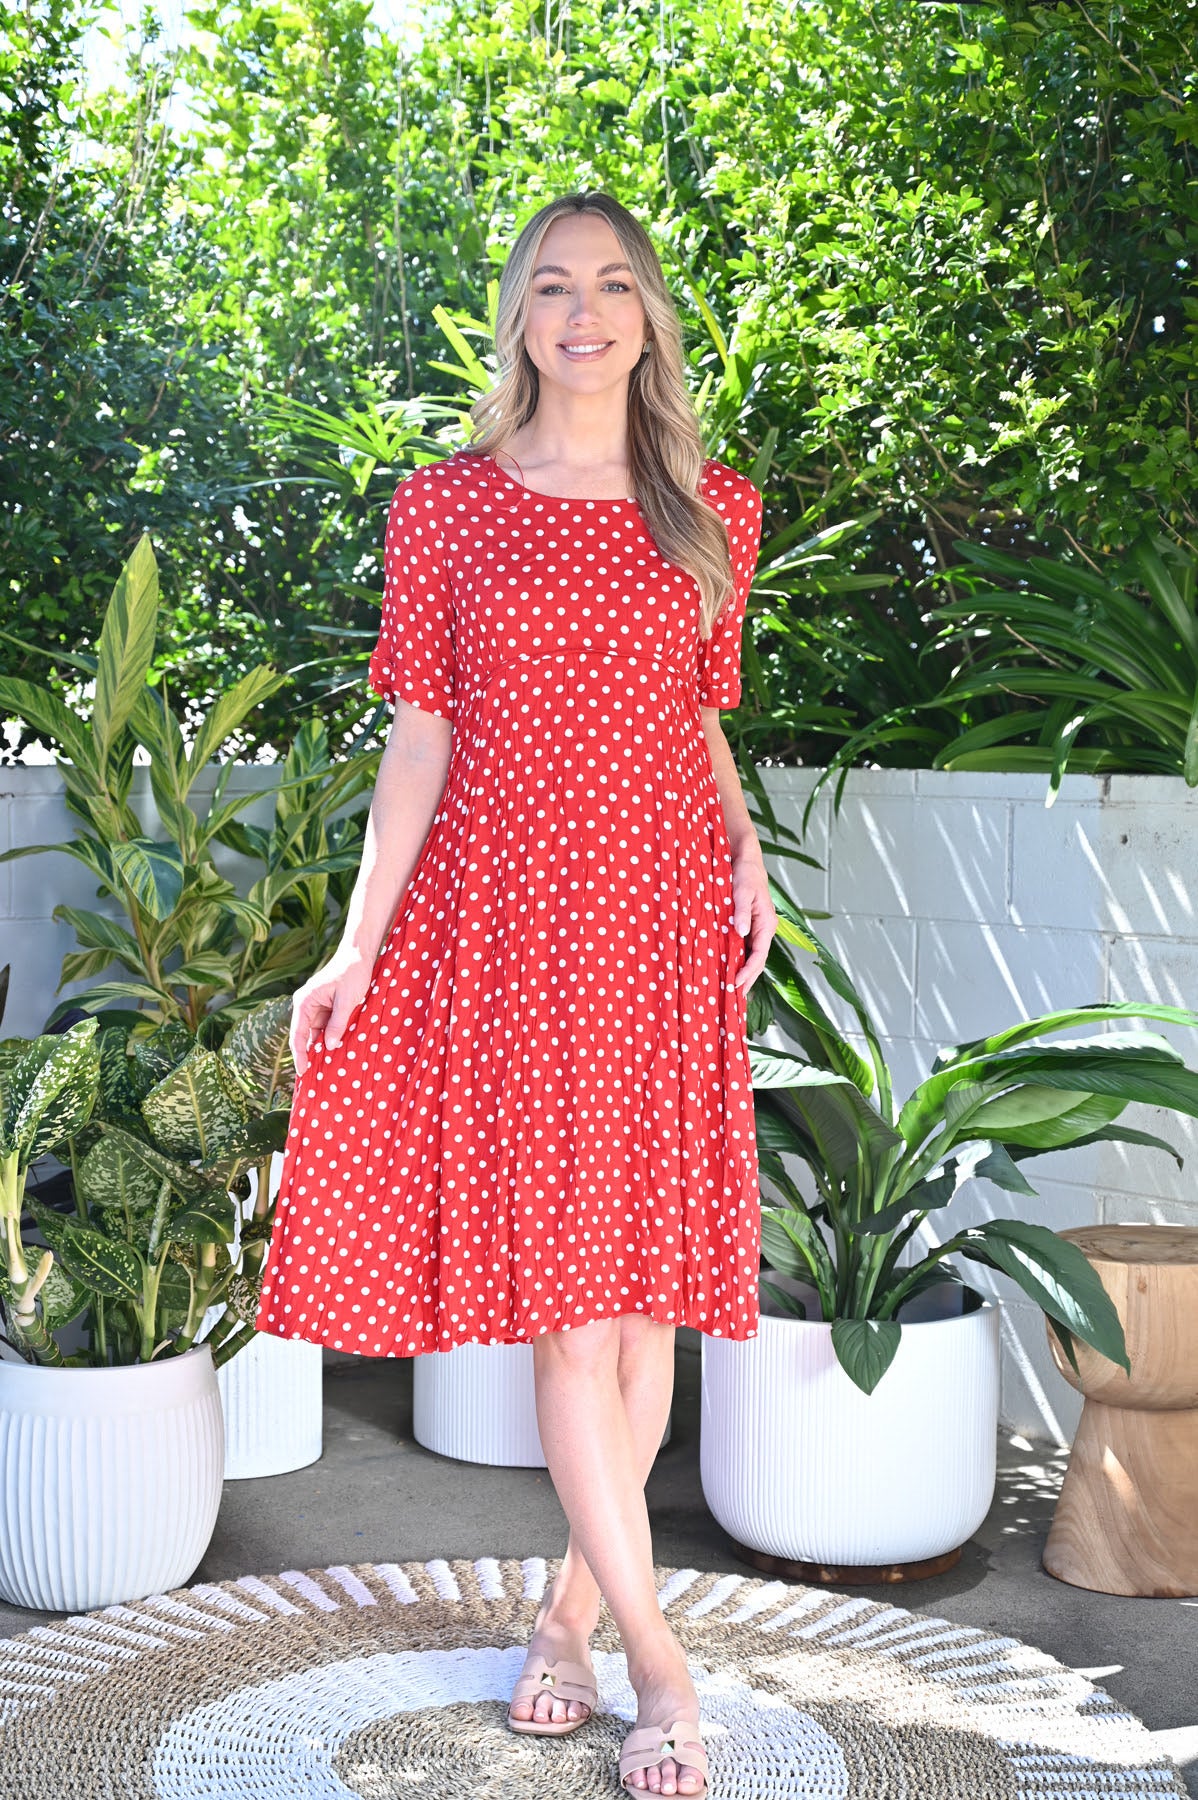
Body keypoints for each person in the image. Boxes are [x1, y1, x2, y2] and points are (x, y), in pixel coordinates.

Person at [254, 188, 774, 1799]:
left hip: (660, 919)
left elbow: (692, 714)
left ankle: (566, 1621)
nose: (584, 311)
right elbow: (421, 741)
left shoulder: (709, 510)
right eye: (553, 285)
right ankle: (660, 1668)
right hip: (510, 931)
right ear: (518, 317)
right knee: (570, 1316)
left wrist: (746, 843)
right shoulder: (447, 508)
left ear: (647, 315)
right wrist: (354, 941)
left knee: (640, 1311)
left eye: (613, 284)